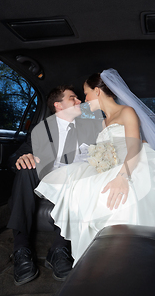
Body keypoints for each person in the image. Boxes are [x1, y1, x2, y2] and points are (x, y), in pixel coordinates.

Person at [34, 69, 155, 265]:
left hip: (135, 161)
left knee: (126, 199)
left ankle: (131, 259)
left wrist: (122, 177)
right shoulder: (102, 122)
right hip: (112, 166)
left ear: (97, 92)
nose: (84, 99)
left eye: (86, 93)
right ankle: (101, 258)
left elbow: (134, 145)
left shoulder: (127, 112)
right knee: (85, 191)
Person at [7, 85, 102, 285]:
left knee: (82, 177)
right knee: (26, 168)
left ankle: (59, 249)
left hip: (75, 181)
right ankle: (21, 248)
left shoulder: (89, 126)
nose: (79, 102)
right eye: (73, 98)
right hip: (46, 180)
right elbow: (18, 153)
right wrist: (21, 158)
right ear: (58, 105)